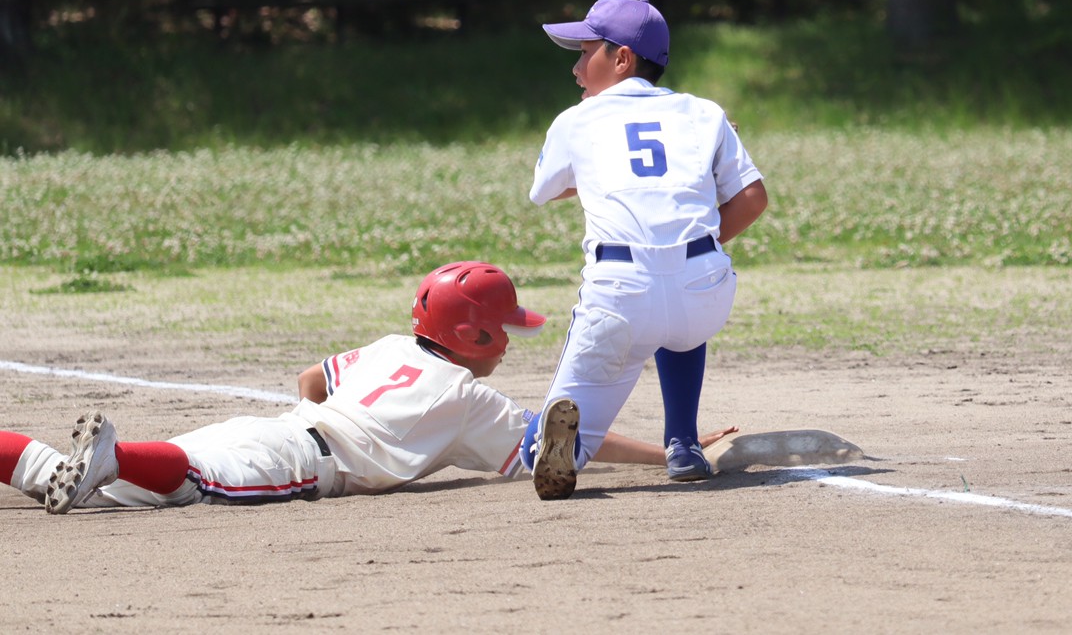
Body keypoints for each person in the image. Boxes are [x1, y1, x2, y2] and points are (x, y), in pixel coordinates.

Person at [0, 260, 735, 513]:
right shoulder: (470, 399)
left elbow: (310, 378)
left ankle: (81, 460)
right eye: (505, 328)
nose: (511, 341)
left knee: (99, 484)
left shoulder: (388, 347)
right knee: (182, 479)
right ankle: (117, 456)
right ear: (473, 337)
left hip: (272, 428)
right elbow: (564, 450)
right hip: (300, 463)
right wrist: (677, 446)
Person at [522, 0, 769, 501]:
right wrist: (694, 240)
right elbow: (752, 198)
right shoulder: (703, 113)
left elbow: (543, 190)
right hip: (704, 292)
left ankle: (563, 447)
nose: (574, 67)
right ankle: (682, 444)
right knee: (682, 305)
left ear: (621, 59)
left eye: (585, 50)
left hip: (620, 297)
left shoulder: (578, 119)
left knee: (534, 451)